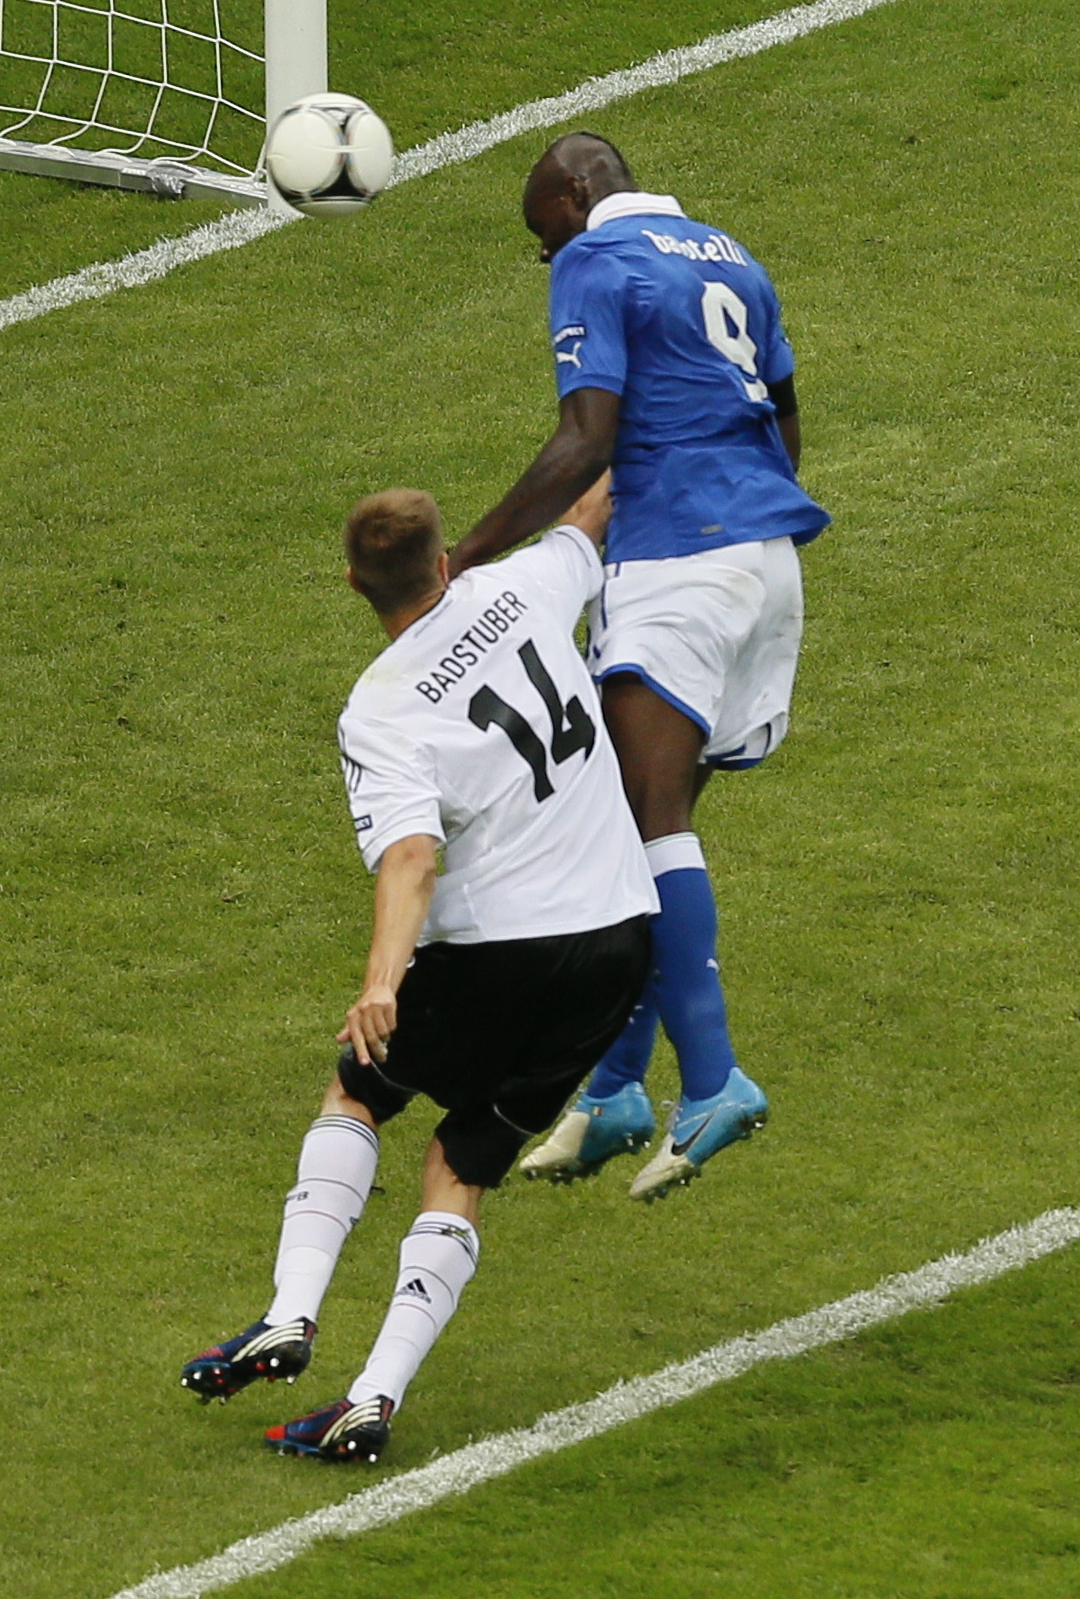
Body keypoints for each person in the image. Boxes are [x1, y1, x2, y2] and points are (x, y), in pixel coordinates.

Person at [180, 481, 653, 1463]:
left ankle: (290, 1312)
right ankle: (371, 1400)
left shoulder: (381, 710)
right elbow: (589, 516)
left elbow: (409, 856)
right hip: (616, 942)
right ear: (444, 561)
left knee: (358, 1094)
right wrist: (646, 415)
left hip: (499, 949)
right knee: (461, 1161)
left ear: (354, 583)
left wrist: (382, 983)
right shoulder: (519, 587)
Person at [442, 133, 827, 1199]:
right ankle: (615, 1089)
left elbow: (585, 440)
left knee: (645, 827)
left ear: (575, 192)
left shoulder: (596, 260)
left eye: (542, 232)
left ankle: (710, 1079)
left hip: (678, 563)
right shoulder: (729, 254)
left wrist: (464, 558)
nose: (544, 256)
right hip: (763, 560)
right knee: (641, 834)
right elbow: (785, 416)